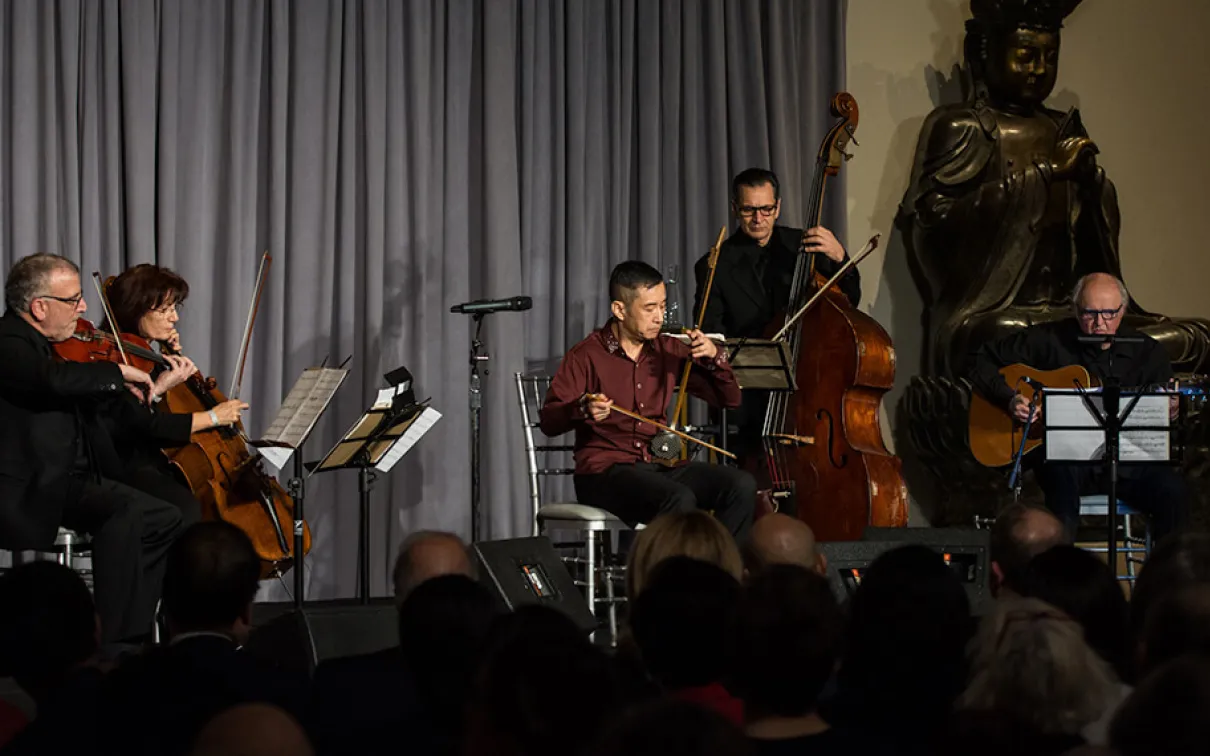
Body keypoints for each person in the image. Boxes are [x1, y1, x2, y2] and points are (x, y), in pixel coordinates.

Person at [0, 253, 187, 644]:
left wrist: (130, 390)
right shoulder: (9, 341)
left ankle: (131, 629)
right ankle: (112, 640)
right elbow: (51, 379)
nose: (83, 307)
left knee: (165, 516)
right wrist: (118, 372)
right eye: (74, 299)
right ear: (39, 306)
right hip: (35, 484)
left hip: (74, 477)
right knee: (128, 514)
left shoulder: (47, 342)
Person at [540, 261, 755, 541]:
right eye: (649, 308)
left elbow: (730, 399)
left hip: (658, 465)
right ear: (619, 309)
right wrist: (582, 408)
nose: (659, 317)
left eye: (663, 307)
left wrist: (715, 357)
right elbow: (549, 421)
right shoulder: (586, 355)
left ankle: (718, 574)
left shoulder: (667, 349)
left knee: (741, 485)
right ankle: (660, 581)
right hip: (604, 472)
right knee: (678, 498)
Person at [970, 272, 1188, 541]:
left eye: (1110, 314)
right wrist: (1009, 398)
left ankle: (1167, 578)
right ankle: (1062, 575)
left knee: (1174, 492)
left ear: (1123, 310)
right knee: (1062, 498)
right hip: (1066, 461)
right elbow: (981, 361)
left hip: (1128, 464)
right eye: (1089, 314)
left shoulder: (1148, 353)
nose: (1099, 323)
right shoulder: (1049, 339)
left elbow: (1161, 419)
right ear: (1075, 309)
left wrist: (1170, 411)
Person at [692, 167, 858, 468]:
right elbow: (711, 333)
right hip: (748, 395)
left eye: (767, 209)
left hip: (809, 386)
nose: (759, 219)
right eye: (749, 210)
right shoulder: (713, 265)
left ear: (778, 206)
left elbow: (849, 301)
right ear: (735, 209)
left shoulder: (807, 247)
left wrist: (840, 258)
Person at [98, 263, 248, 522]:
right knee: (185, 510)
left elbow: (172, 405)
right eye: (165, 310)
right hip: (121, 464)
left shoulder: (144, 355)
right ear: (135, 310)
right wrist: (213, 417)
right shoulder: (112, 362)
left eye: (174, 309)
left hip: (153, 462)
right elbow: (145, 424)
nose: (174, 318)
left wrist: (170, 356)